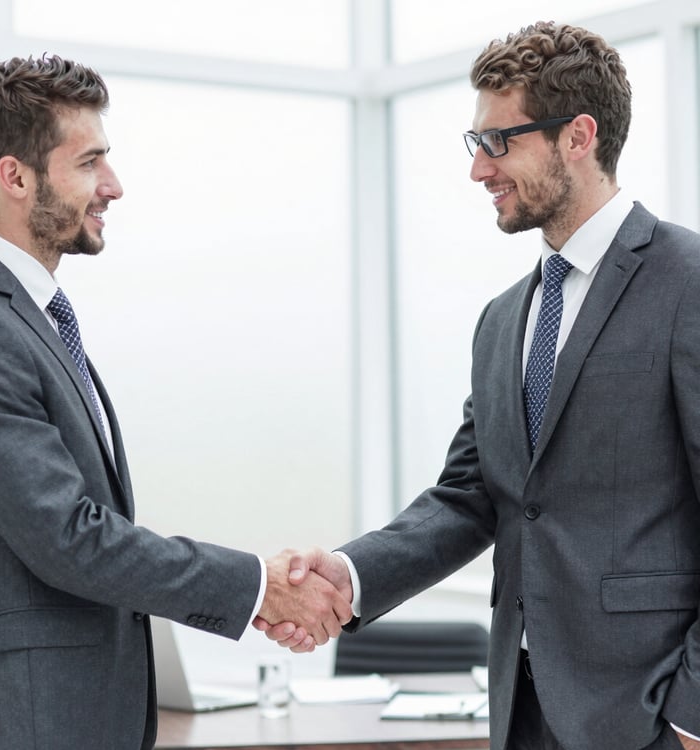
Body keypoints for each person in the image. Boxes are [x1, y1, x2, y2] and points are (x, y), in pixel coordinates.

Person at [257, 21, 700, 750]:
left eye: (499, 141)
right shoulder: (503, 321)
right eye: (477, 144)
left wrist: (690, 717)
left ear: (578, 137)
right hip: (520, 710)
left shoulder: (686, 283)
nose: (479, 169)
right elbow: (470, 498)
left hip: (646, 717)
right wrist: (345, 574)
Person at [0, 55, 351, 750]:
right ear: (14, 177)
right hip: (22, 722)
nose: (114, 187)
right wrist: (256, 585)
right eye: (90, 162)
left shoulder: (27, 317)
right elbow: (67, 537)